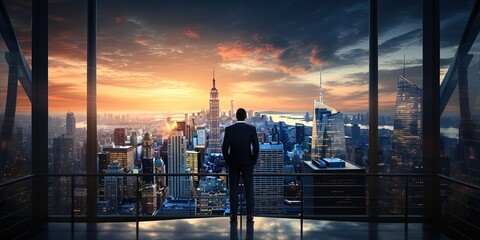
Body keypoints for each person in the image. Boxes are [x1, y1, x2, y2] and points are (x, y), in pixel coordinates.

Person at [222, 108, 259, 222]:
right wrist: (252, 161)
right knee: (249, 188)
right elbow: (256, 148)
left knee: (233, 188)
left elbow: (224, 148)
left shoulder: (229, 129)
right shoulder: (251, 129)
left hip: (233, 163)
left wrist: (228, 161)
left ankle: (233, 214)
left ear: (236, 116)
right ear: (245, 116)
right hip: (247, 163)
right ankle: (250, 214)